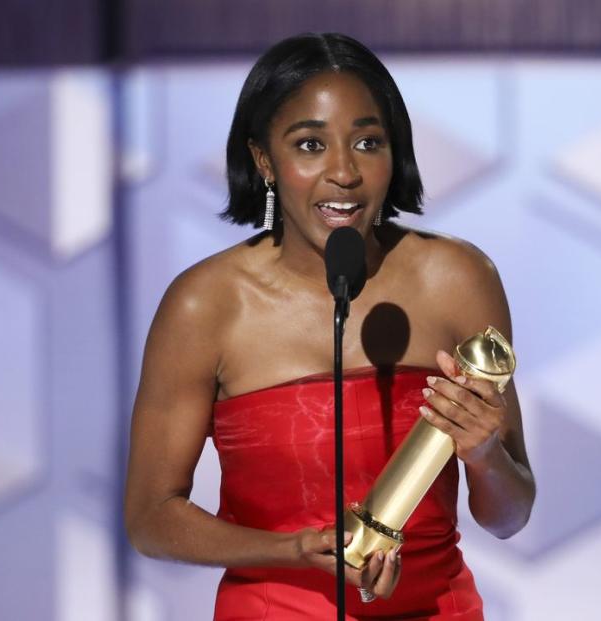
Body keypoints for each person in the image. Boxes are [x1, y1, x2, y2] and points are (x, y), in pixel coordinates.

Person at [123, 32, 535, 620]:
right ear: (263, 159)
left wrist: (486, 452)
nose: (344, 172)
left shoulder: (457, 278)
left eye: (368, 142)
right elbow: (150, 518)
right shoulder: (204, 305)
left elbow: (510, 515)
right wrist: (290, 550)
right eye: (310, 145)